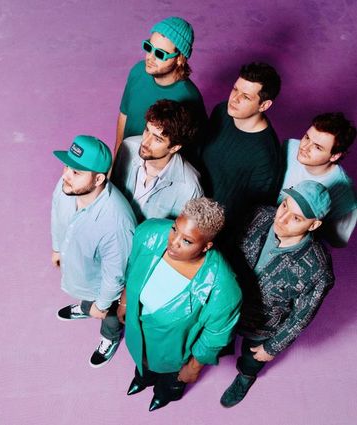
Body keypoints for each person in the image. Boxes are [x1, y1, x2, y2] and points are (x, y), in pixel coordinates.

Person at [117, 198, 242, 411]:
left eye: (187, 241)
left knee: (170, 379)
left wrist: (193, 368)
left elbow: (215, 336)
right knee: (142, 361)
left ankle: (164, 394)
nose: (173, 243)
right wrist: (125, 301)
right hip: (140, 330)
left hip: (174, 349)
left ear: (206, 246)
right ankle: (143, 378)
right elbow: (133, 267)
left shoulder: (223, 289)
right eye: (175, 229)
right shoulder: (150, 233)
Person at [220, 180, 334, 408]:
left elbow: (301, 316)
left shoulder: (317, 270)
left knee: (252, 358)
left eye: (296, 218)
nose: (281, 219)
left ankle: (246, 377)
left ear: (314, 225)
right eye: (284, 206)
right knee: (221, 340)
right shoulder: (259, 215)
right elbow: (228, 248)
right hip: (227, 305)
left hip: (262, 325)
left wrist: (272, 347)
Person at [51, 135, 136, 368]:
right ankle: (86, 307)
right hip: (84, 270)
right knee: (86, 289)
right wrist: (57, 247)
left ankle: (109, 338)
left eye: (76, 172)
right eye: (67, 166)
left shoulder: (116, 223)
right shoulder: (68, 187)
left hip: (105, 287)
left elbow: (115, 276)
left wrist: (102, 305)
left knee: (109, 316)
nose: (66, 175)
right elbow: (57, 214)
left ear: (98, 178)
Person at [200, 62, 283, 230]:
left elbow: (255, 214)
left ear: (264, 105)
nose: (234, 99)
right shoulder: (221, 111)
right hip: (190, 205)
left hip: (219, 229)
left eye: (246, 97)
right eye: (235, 89)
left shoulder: (265, 155)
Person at [116, 16, 207, 160]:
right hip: (126, 158)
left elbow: (192, 150)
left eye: (160, 54)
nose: (150, 58)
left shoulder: (190, 97)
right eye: (148, 47)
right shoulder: (138, 71)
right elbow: (124, 114)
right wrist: (117, 156)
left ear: (180, 59)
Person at [111, 99, 203, 222]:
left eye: (157, 139)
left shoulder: (190, 188)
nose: (145, 142)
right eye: (147, 130)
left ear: (175, 147)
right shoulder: (128, 147)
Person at [280, 112, 357, 247]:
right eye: (307, 137)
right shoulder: (289, 147)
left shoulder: (345, 195)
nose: (304, 147)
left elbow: (338, 241)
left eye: (317, 147)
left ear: (334, 156)